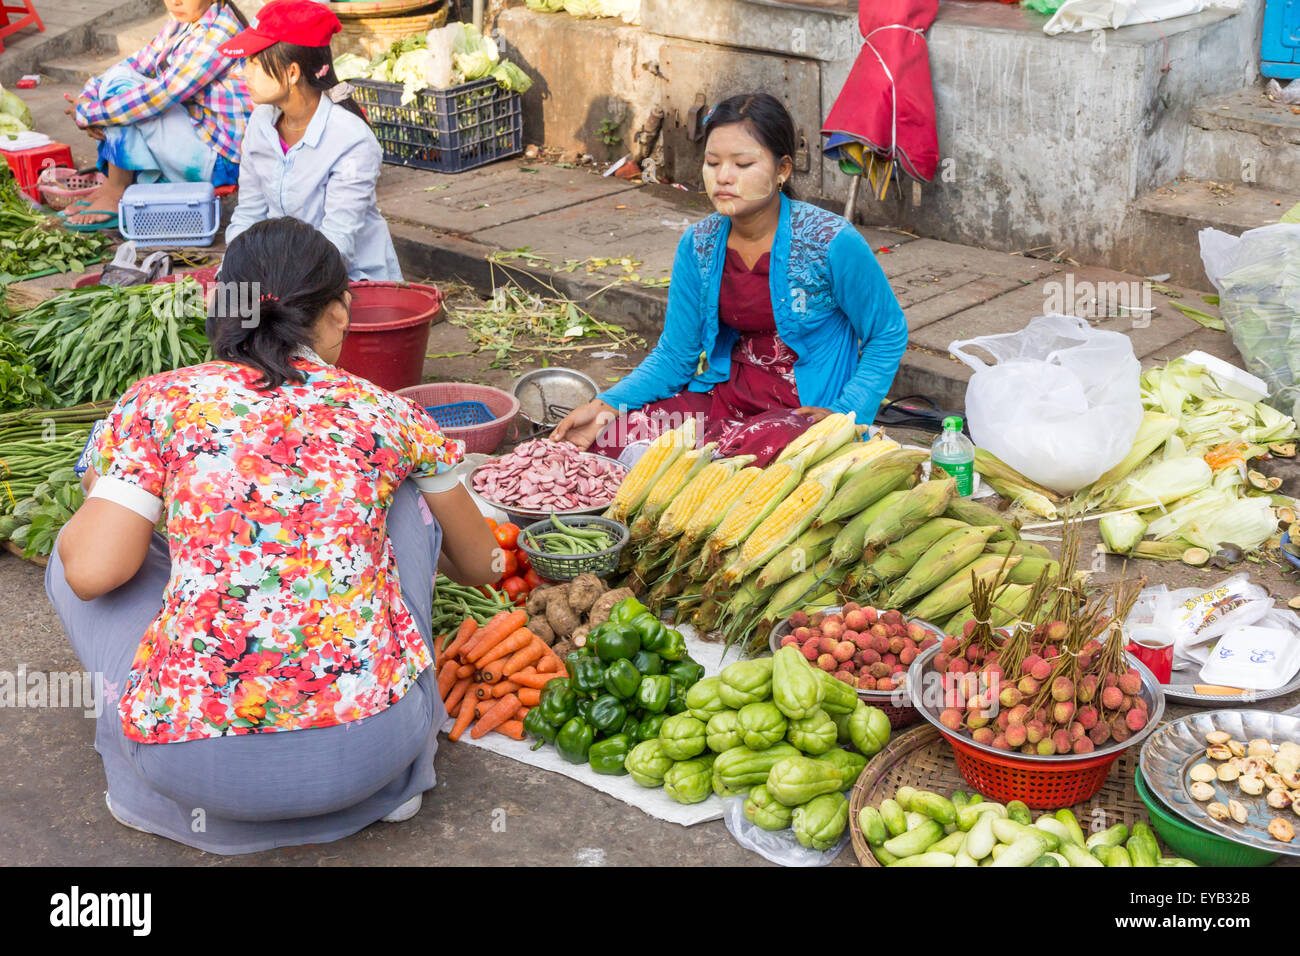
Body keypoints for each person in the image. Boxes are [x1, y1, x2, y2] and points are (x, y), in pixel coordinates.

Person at [45, 217, 498, 854]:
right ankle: (391, 785)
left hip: (189, 763)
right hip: (375, 748)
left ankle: (145, 786)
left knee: (85, 546)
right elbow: (482, 568)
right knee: (410, 506)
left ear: (223, 308)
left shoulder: (161, 402)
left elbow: (93, 573)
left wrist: (112, 492)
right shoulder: (388, 410)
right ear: (339, 312)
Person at [552, 93, 907, 467]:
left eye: (742, 164)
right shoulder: (699, 245)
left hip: (803, 417)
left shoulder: (830, 241)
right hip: (726, 403)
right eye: (712, 162)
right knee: (613, 437)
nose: (723, 177)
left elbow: (887, 332)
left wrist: (844, 415)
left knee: (734, 460)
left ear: (782, 170)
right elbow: (676, 355)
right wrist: (605, 405)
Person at [220, 0, 403, 281]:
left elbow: (336, 244)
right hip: (282, 275)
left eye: (254, 63)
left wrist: (274, 285)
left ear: (292, 72)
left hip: (347, 280)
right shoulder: (261, 123)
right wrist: (230, 274)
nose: (244, 73)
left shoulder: (352, 141)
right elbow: (249, 215)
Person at [63, 0, 251, 229]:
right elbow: (133, 64)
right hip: (195, 139)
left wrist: (90, 114)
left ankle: (115, 189)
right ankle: (114, 186)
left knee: (126, 93)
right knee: (120, 81)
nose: (175, 1)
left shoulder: (222, 32)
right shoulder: (182, 25)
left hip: (220, 163)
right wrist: (88, 97)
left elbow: (161, 96)